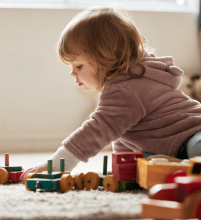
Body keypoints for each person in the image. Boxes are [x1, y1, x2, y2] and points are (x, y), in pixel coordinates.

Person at [20, 6, 201, 183]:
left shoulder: (126, 89)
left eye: (79, 66)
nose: (72, 73)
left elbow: (99, 129)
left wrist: (59, 164)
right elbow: (122, 135)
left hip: (193, 136)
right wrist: (122, 173)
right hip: (181, 145)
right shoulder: (128, 83)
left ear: (108, 59)